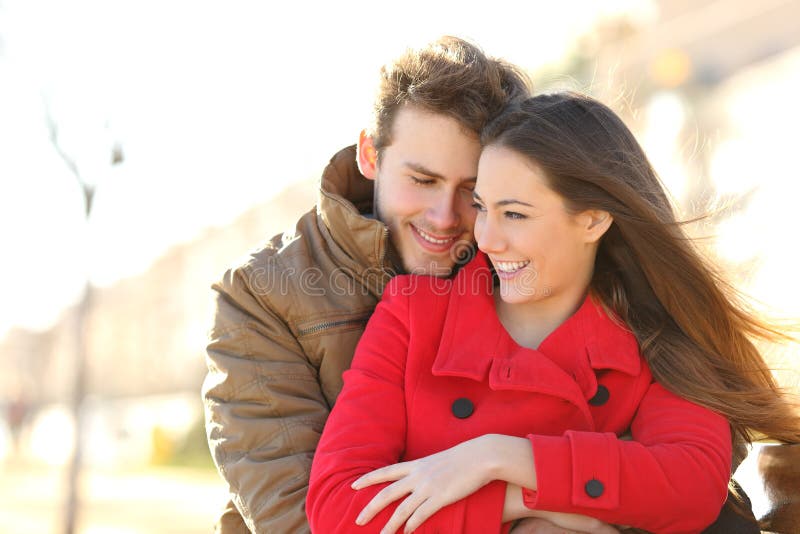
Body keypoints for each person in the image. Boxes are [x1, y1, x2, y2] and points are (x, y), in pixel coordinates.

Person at [306, 92, 800, 533]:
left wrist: (500, 456)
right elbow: (337, 508)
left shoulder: (656, 336)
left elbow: (691, 486)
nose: (486, 238)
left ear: (593, 218)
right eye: (482, 207)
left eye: (515, 214)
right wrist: (520, 503)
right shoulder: (415, 315)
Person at [202, 36, 534, 533]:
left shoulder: (527, 272)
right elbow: (301, 521)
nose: (444, 218)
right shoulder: (261, 294)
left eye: (472, 191)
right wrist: (524, 506)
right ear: (370, 154)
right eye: (422, 180)